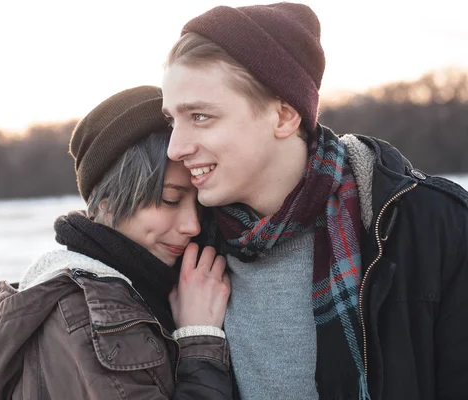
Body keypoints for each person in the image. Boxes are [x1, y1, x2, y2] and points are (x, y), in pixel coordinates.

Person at [161, 3, 468, 400]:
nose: (175, 148)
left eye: (200, 116)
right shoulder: (185, 248)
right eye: (172, 120)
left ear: (285, 116)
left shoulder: (433, 225)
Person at [0, 86, 233, 399]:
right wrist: (199, 339)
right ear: (106, 202)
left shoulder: (135, 289)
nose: (192, 225)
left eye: (200, 206)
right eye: (170, 200)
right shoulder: (86, 315)